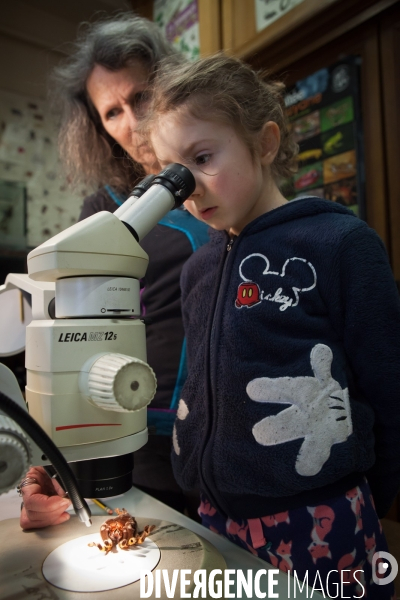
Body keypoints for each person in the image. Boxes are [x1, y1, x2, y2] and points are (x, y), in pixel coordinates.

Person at [141, 53, 400, 598]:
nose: (186, 187)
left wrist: (368, 494)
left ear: (264, 143)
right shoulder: (198, 268)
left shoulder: (340, 245)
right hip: (215, 515)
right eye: (171, 170)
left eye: (203, 157)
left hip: (320, 516)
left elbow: (387, 382)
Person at [19, 13, 208, 530]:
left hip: (226, 438)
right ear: (96, 125)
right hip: (139, 436)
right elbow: (72, 344)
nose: (133, 121)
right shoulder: (101, 214)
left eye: (142, 97)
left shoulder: (219, 189)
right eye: (112, 111)